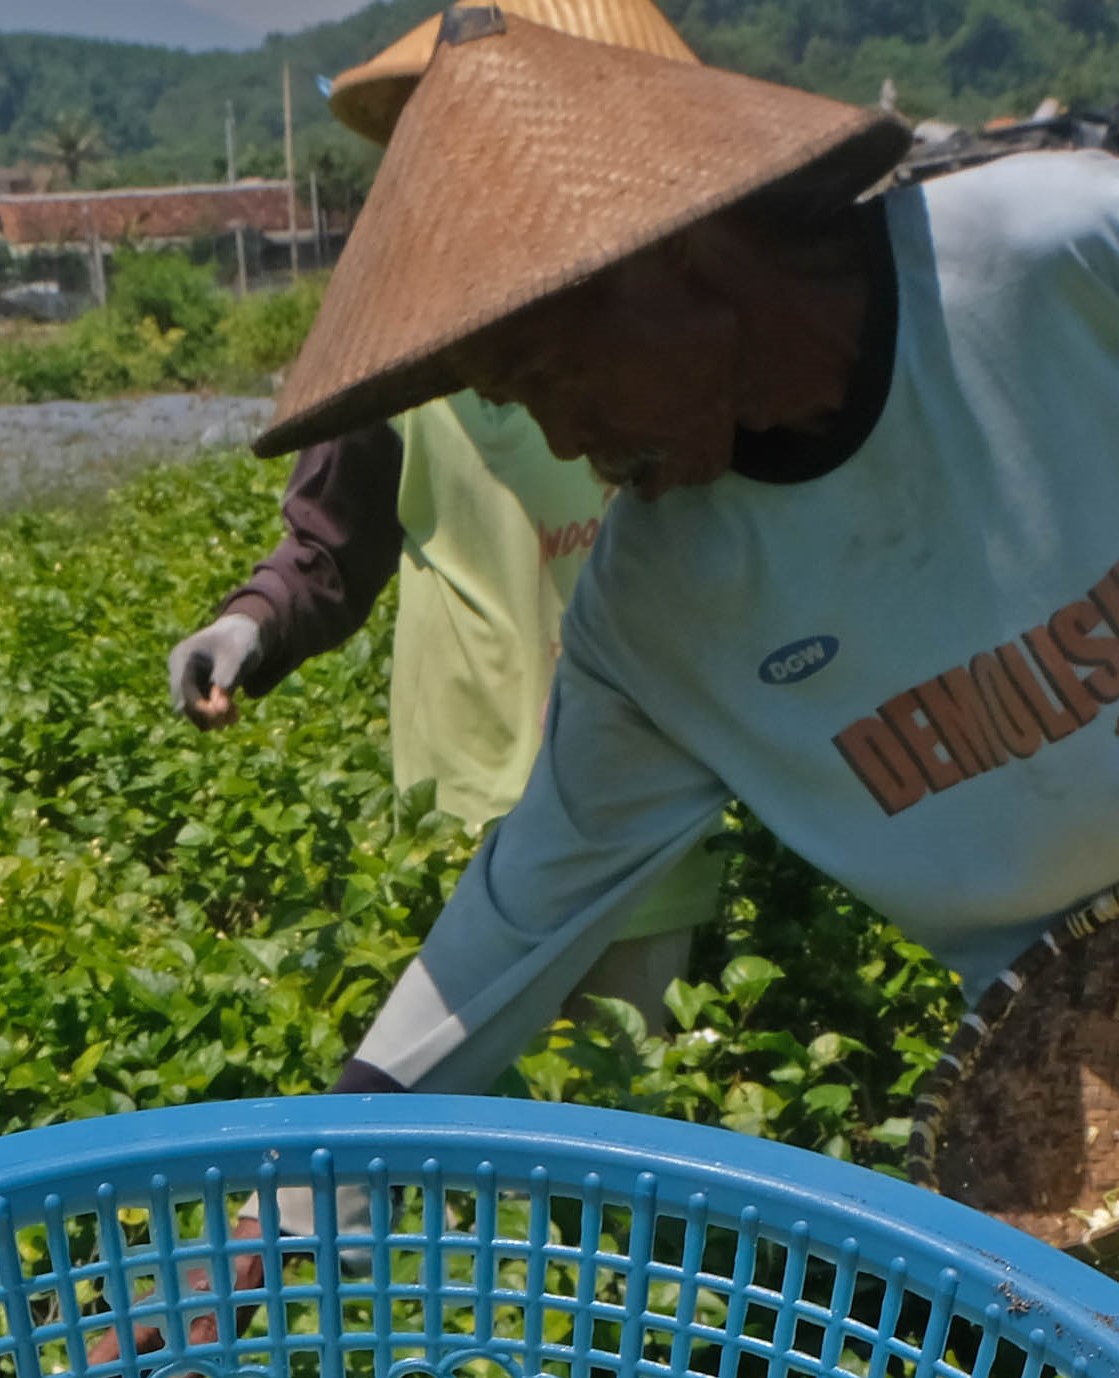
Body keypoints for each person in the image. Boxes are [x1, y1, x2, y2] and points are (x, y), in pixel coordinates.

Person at [260, 10, 1119, 1378]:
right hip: (1095, 1084)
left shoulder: (1044, 256)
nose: (570, 446)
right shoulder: (659, 603)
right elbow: (530, 899)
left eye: (552, 382)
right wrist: (297, 1192)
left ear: (673, 261)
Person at [167, 0, 727, 1056]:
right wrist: (250, 627)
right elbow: (331, 541)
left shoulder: (682, 312)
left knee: (625, 1128)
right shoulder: (406, 323)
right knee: (449, 1137)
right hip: (456, 800)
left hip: (645, 804)